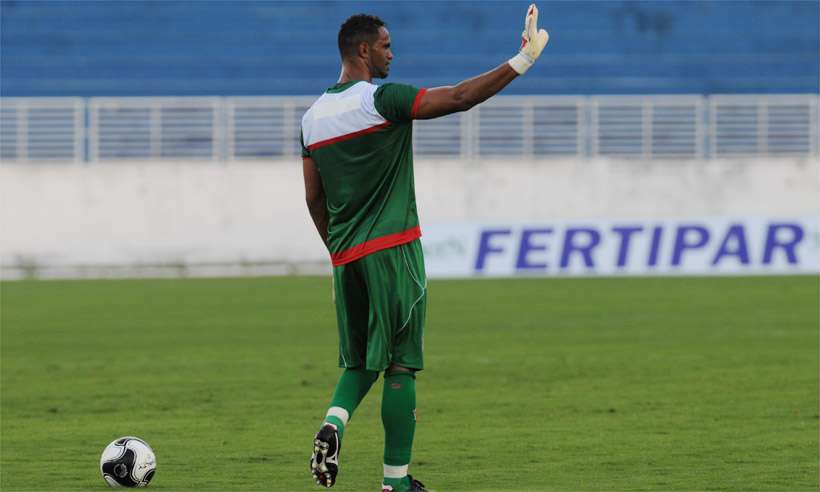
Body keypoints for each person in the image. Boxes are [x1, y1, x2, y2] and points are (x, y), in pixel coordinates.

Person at [301, 5, 549, 491]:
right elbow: (458, 97)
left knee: (358, 361)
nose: (394, 53)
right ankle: (396, 481)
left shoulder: (312, 119)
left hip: (345, 257)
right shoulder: (381, 99)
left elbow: (313, 196)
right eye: (388, 45)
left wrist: (337, 249)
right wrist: (521, 60)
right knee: (400, 363)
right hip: (393, 250)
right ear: (364, 49)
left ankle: (334, 422)